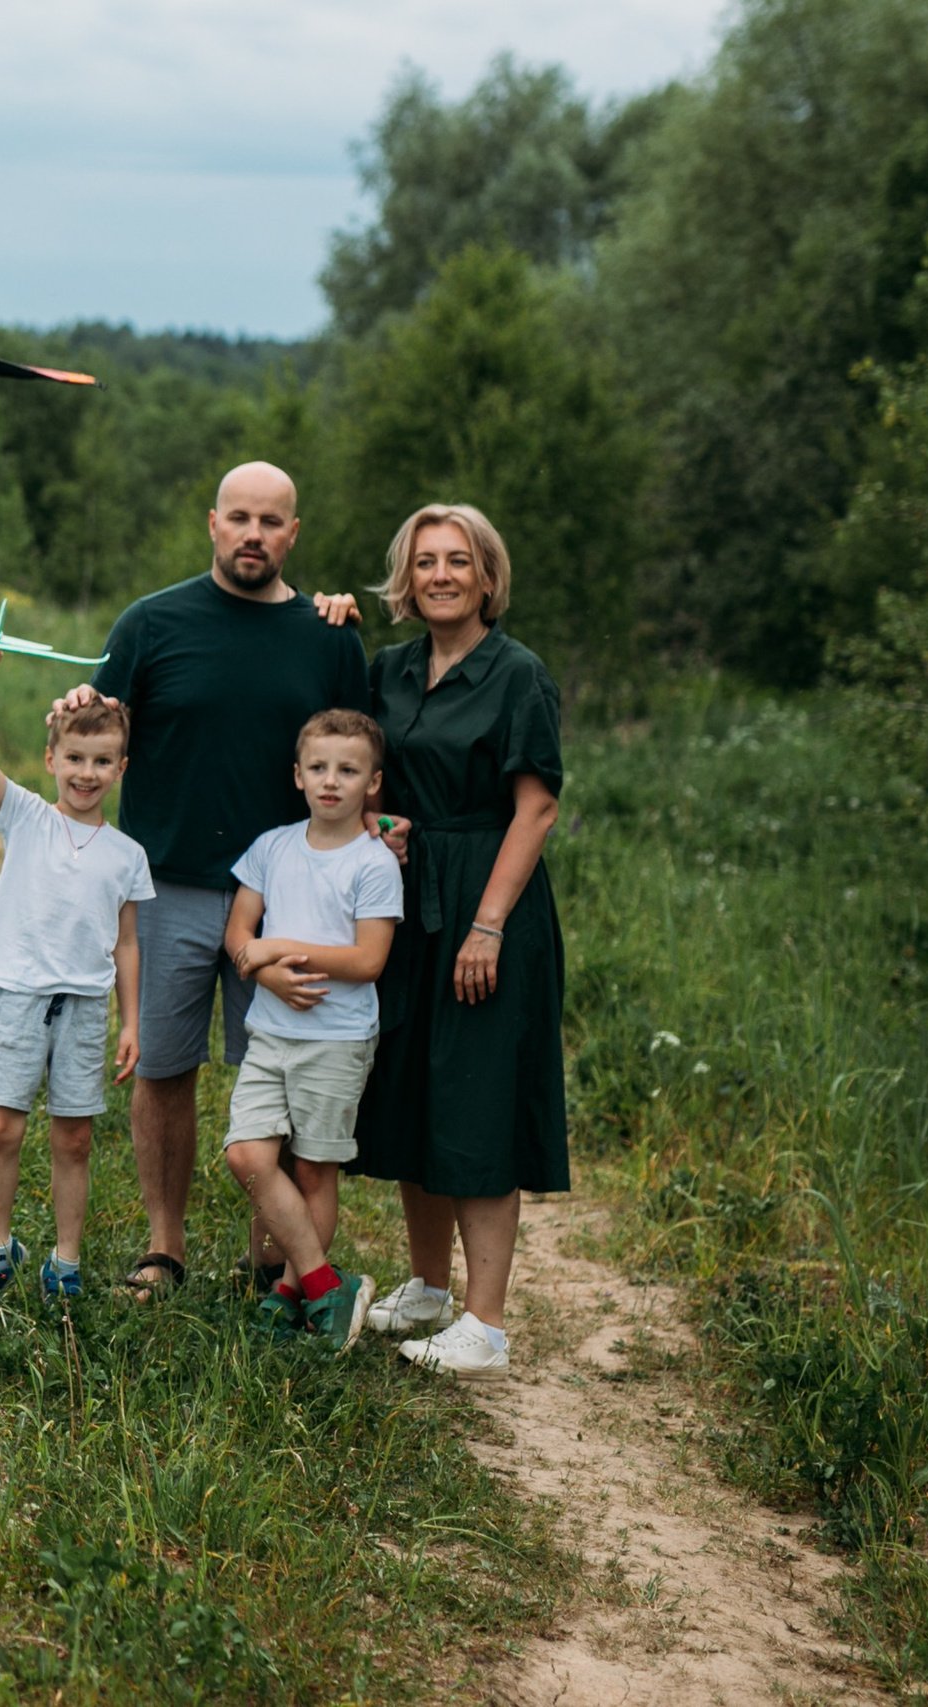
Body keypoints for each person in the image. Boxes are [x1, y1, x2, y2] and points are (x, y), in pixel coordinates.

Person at [61, 462, 368, 1302]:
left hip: (285, 900)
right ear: (212, 523)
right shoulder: (152, 623)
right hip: (166, 886)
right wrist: (69, 709)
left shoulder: (330, 637)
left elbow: (365, 758)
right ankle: (165, 1247)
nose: (254, 535)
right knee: (164, 1069)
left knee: (289, 1068)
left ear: (293, 534)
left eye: (272, 521)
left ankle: (273, 1255)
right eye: (240, 517)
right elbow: (93, 734)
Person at [351, 503, 565, 1380]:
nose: (441, 574)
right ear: (407, 576)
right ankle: (430, 1286)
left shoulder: (518, 675)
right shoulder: (390, 668)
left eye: (459, 560)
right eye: (426, 560)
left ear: (487, 577)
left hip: (488, 900)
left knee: (475, 1095)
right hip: (407, 895)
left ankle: (486, 1323)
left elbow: (537, 805)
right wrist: (381, 822)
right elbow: (366, 775)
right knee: (415, 1086)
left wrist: (488, 923)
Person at [0, 645, 153, 1304]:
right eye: (74, 758)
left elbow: (126, 942)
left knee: (74, 1136)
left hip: (87, 1004)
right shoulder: (27, 816)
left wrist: (133, 1021)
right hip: (21, 994)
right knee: (2, 1127)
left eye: (101, 762)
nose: (86, 773)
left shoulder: (127, 855)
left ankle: (64, 1264)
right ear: (51, 760)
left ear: (122, 768)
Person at [220, 709, 404, 1350]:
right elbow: (239, 935)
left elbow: (368, 961)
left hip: (337, 1037)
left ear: (372, 783)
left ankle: (291, 1292)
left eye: (348, 770)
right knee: (247, 1153)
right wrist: (262, 968)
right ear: (297, 775)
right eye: (319, 768)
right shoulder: (272, 847)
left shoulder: (375, 862)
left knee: (315, 1171)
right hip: (270, 1032)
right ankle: (330, 1284)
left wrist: (283, 947)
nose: (332, 781)